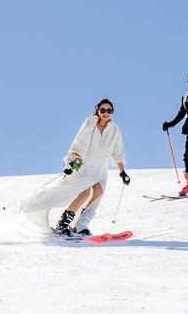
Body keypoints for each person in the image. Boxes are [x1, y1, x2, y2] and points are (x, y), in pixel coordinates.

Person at [18, 98, 130, 237]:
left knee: (98, 193)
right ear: (98, 111)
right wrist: (71, 164)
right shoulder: (90, 124)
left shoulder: (114, 130)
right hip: (86, 163)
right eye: (103, 110)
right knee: (84, 192)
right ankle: (63, 224)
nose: (106, 113)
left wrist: (122, 171)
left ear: (112, 113)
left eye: (109, 110)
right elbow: (79, 145)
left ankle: (81, 224)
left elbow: (118, 151)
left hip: (101, 166)